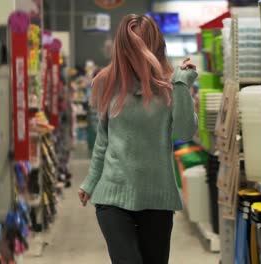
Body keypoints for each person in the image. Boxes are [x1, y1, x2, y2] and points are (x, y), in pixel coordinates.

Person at [78, 14, 198, 264]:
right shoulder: (108, 83)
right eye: (131, 49)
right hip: (113, 199)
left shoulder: (170, 85)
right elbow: (103, 140)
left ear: (154, 47)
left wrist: (182, 86)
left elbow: (185, 133)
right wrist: (90, 182)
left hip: (157, 199)